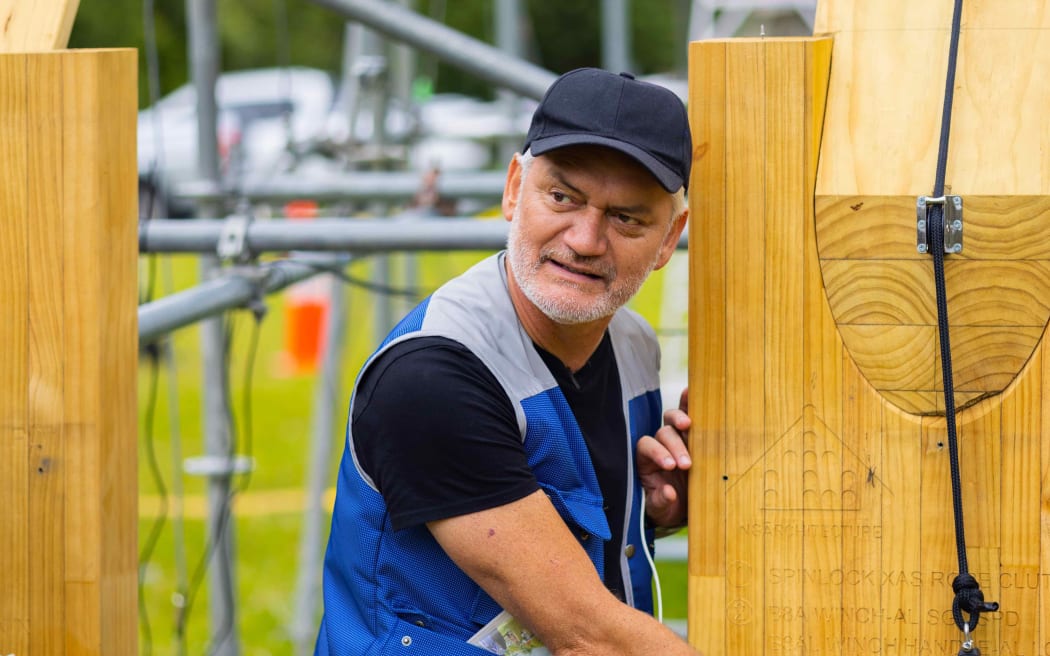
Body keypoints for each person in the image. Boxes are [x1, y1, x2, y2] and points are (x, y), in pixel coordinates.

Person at [315, 67, 699, 656]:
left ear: (670, 238)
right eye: (562, 197)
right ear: (514, 188)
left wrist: (644, 510)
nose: (586, 239)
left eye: (627, 218)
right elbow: (587, 635)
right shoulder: (431, 378)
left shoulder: (633, 346)